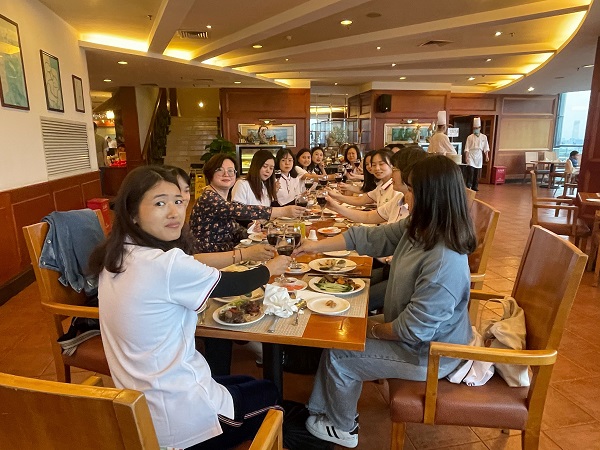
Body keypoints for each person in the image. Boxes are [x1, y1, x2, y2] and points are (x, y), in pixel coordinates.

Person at [88, 165, 290, 450]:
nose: (174, 212)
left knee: (245, 380)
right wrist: (271, 268)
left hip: (139, 407)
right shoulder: (165, 265)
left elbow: (192, 268)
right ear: (132, 213)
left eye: (178, 201)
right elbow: (232, 284)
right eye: (160, 203)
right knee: (270, 394)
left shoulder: (116, 257)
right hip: (183, 422)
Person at [294, 155, 476, 448]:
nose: (405, 195)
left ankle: (342, 427)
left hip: (431, 354)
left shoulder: (445, 260)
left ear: (431, 197)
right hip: (411, 333)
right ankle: (321, 411)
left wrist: (372, 330)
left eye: (412, 190)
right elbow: (372, 236)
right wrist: (315, 246)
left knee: (342, 355)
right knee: (338, 334)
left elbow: (414, 330)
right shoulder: (420, 228)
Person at [189, 154, 304, 253]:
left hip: (228, 254)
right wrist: (283, 211)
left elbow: (232, 228)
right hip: (210, 260)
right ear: (210, 173)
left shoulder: (221, 198)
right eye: (220, 170)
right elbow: (239, 210)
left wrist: (251, 231)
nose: (226, 174)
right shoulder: (208, 198)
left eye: (231, 171)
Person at [328, 149, 397, 209]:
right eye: (374, 165)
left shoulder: (396, 189)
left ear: (393, 165)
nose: (377, 168)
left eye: (381, 164)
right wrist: (335, 196)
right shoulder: (381, 187)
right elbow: (360, 200)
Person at [464, 117, 490, 191]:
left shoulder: (484, 137)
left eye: (477, 128)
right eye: (474, 128)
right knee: (471, 171)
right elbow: (467, 148)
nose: (475, 129)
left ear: (480, 128)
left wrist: (487, 156)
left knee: (477, 172)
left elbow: (486, 147)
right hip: (471, 155)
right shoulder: (469, 137)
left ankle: (475, 186)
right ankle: (468, 185)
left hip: (479, 155)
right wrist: (466, 157)